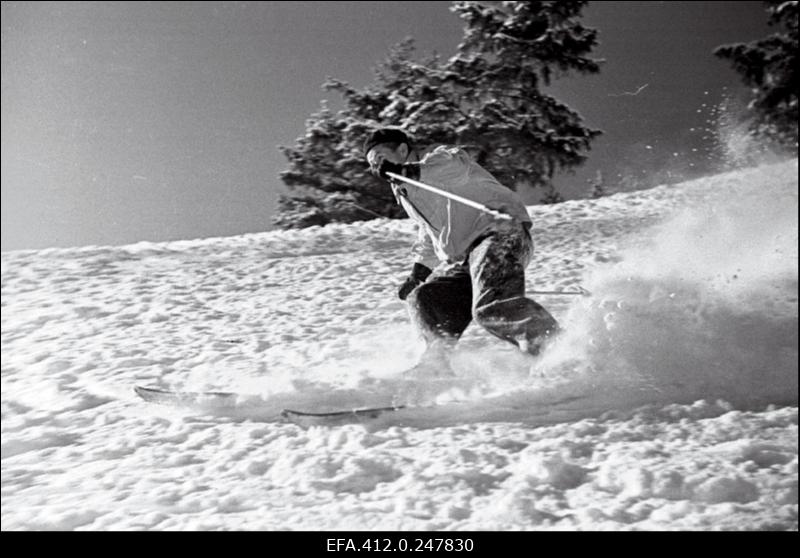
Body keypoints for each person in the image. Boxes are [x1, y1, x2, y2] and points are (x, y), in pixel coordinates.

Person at [363, 127, 560, 376]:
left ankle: (555, 348)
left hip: (499, 234)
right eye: (372, 163)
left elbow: (453, 170)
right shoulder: (405, 190)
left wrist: (405, 172)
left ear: (402, 150)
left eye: (380, 157)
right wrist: (418, 272)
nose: (376, 166)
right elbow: (430, 231)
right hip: (468, 256)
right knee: (425, 297)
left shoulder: (442, 158)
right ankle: (436, 366)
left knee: (490, 307)